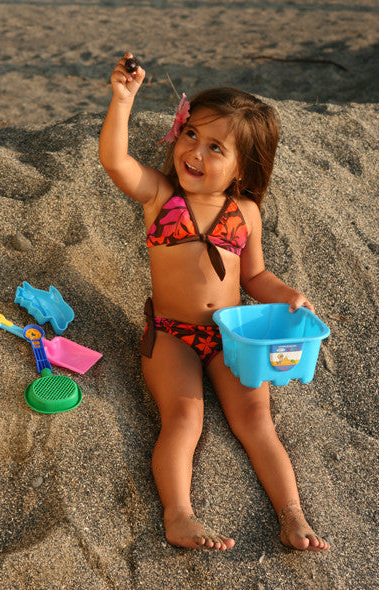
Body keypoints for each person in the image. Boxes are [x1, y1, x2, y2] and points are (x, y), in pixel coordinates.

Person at [99, 53, 330, 553]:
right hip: (170, 334)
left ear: (243, 167)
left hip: (233, 336)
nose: (195, 152)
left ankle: (293, 515)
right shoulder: (160, 197)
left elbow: (256, 277)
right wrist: (123, 100)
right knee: (185, 419)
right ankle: (179, 515)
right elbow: (115, 161)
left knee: (256, 421)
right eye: (190, 136)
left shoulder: (244, 212)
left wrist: (288, 296)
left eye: (215, 147)